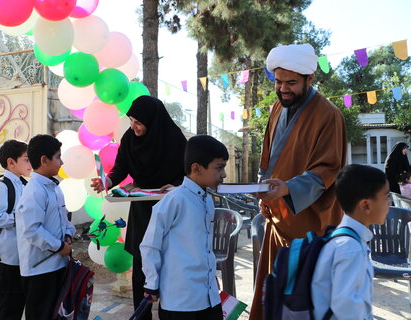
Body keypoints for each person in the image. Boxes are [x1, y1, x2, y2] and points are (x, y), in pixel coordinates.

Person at [250, 43, 347, 319]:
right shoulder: (276, 110)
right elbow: (267, 156)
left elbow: (328, 170)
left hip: (311, 227)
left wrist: (288, 189)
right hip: (276, 220)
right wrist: (262, 189)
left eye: (291, 83)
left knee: (303, 304)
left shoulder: (329, 115)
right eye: (278, 81)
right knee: (273, 298)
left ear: (310, 79)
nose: (283, 89)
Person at [91, 95, 187, 319]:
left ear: (153, 121)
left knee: (169, 263)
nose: (134, 126)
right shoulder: (130, 138)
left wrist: (178, 186)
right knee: (142, 264)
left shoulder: (174, 139)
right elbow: (120, 167)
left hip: (171, 208)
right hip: (142, 209)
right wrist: (108, 181)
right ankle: (141, 315)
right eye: (131, 120)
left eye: (139, 122)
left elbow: (188, 173)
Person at [140, 135, 228, 320]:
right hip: (180, 300)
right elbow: (150, 244)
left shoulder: (207, 200)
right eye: (219, 167)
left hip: (208, 296)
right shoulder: (175, 200)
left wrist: (210, 276)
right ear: (196, 168)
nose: (224, 174)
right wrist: (151, 283)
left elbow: (203, 247)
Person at [312, 164, 390, 320]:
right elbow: (347, 311)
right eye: (386, 196)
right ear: (366, 205)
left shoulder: (343, 239)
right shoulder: (350, 248)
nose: (389, 203)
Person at [15, 134, 76, 320]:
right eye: (58, 157)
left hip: (57, 265)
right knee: (41, 314)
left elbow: (64, 219)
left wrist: (67, 235)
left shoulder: (54, 187)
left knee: (57, 314)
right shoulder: (34, 191)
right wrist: (59, 247)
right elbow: (32, 230)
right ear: (44, 160)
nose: (62, 162)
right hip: (39, 270)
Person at [0, 140, 32, 320]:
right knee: (9, 307)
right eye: (26, 160)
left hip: (23, 256)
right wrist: (22, 218)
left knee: (22, 303)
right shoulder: (1, 187)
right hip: (8, 258)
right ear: (11, 162)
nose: (30, 163)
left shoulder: (23, 184)